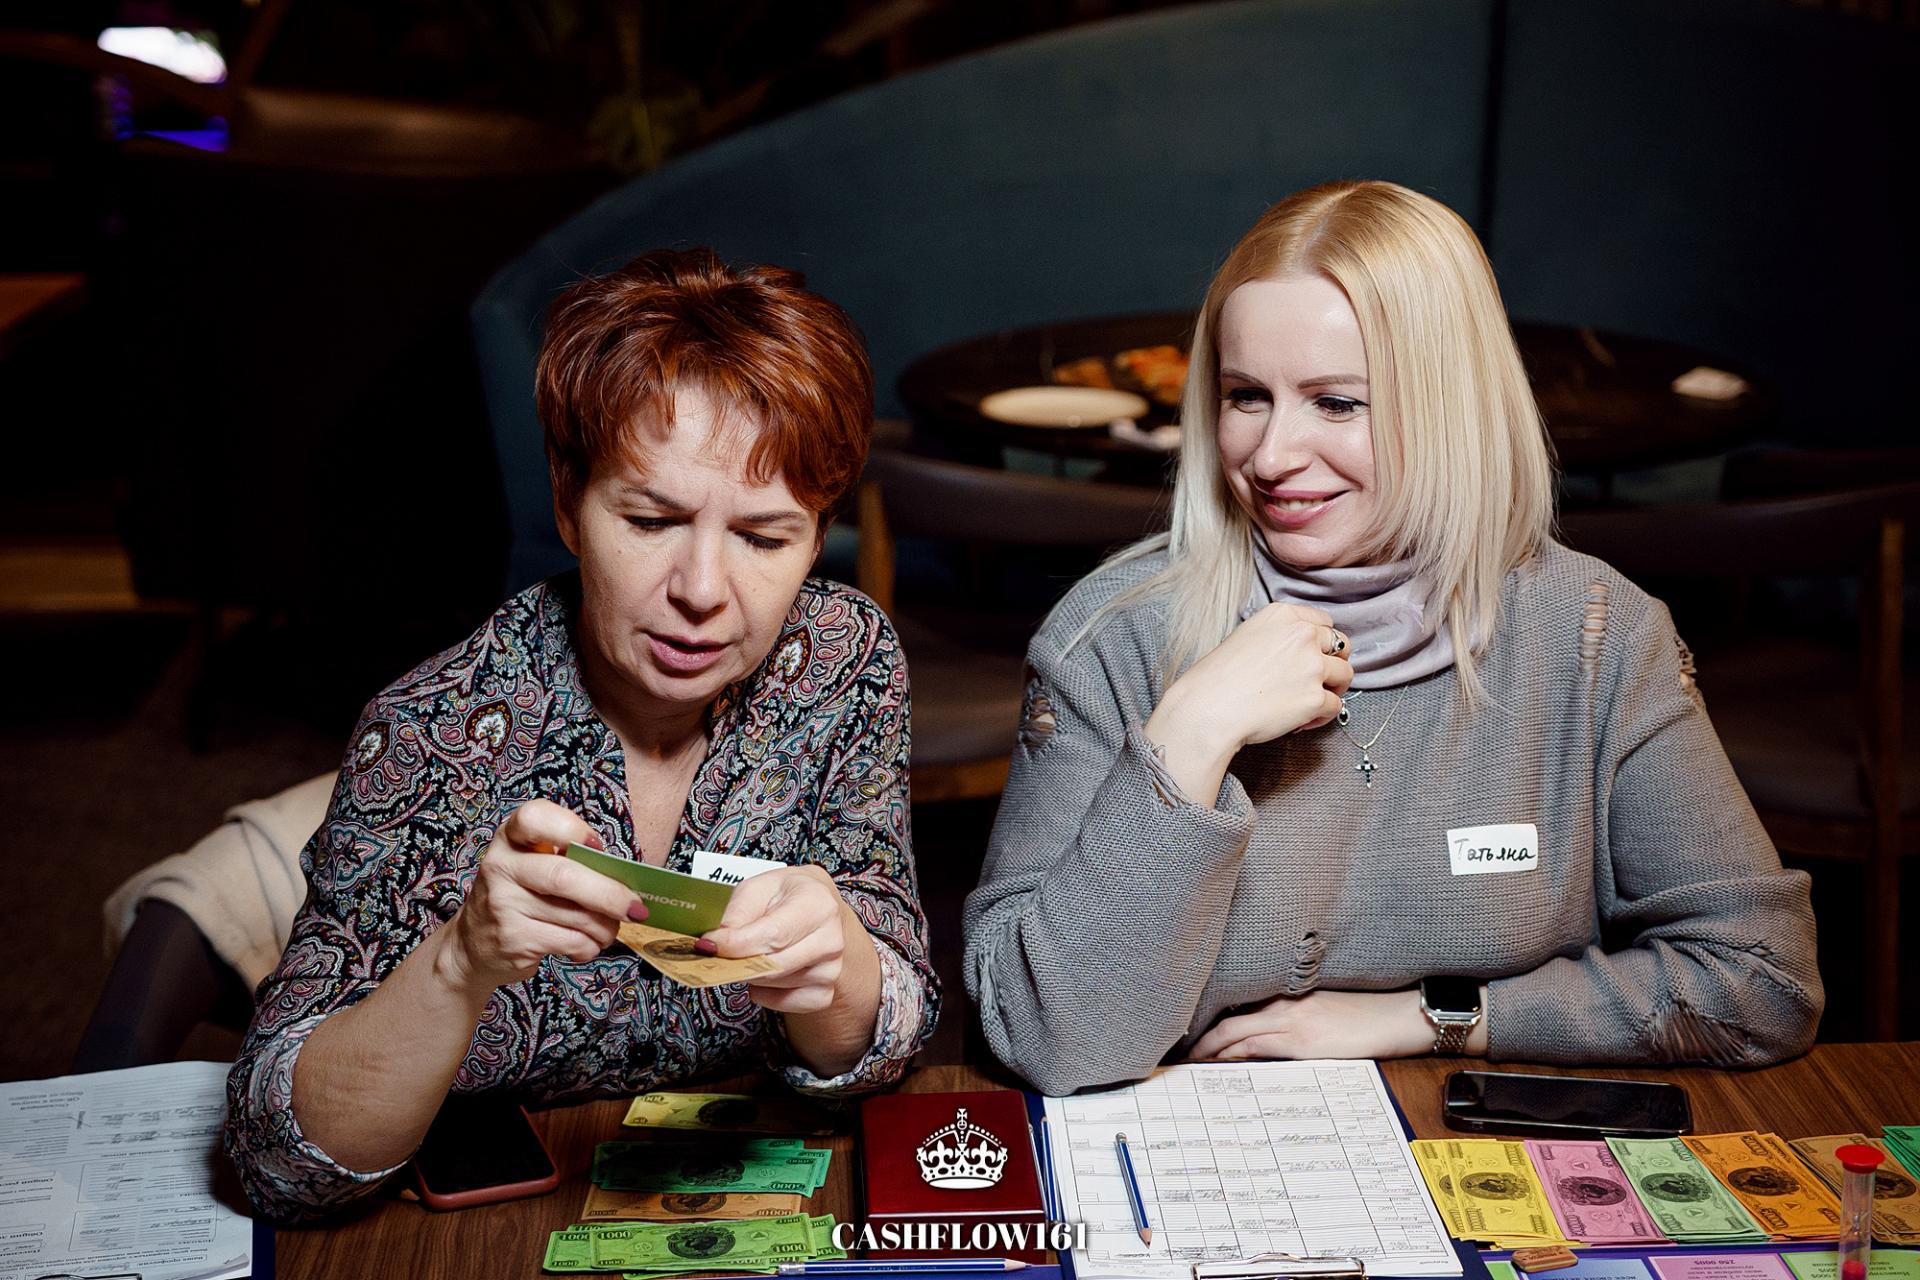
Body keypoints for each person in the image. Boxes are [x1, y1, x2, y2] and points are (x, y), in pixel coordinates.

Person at [963, 181, 1822, 1097]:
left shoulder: (1592, 633)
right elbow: (1047, 1036)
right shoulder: (1113, 635)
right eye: (1246, 395)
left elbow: (1763, 984)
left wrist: (1434, 1016)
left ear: (1453, 406)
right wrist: (1188, 736)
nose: (1271, 455)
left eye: (1337, 403)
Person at [224, 249, 937, 1221]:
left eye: (765, 537)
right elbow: (275, 1162)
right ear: (568, 501)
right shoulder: (430, 730)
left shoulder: (842, 666)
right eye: (651, 519)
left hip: (751, 1210)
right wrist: (462, 960)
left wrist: (840, 964)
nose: (702, 589)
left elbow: (885, 1043)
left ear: (818, 536)